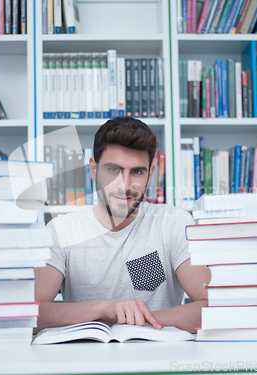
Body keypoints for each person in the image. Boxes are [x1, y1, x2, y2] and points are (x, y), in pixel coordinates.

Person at [34, 117, 210, 334]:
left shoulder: (172, 223)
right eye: (113, 170)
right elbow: (31, 314)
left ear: (150, 174)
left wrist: (135, 322)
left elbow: (212, 305)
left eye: (137, 172)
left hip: (159, 360)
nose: (124, 185)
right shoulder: (62, 230)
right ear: (93, 170)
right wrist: (104, 308)